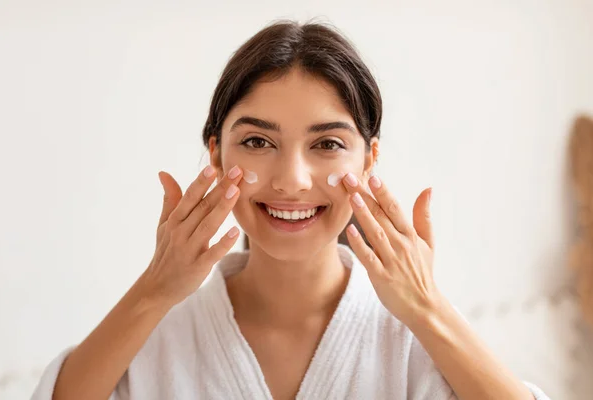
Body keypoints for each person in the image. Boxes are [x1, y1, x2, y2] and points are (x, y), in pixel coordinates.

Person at [32, 20, 550, 400]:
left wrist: (428, 309)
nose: (291, 181)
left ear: (369, 159)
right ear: (215, 153)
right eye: (257, 141)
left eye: (326, 145)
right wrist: (153, 290)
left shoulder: (415, 340)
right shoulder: (159, 338)